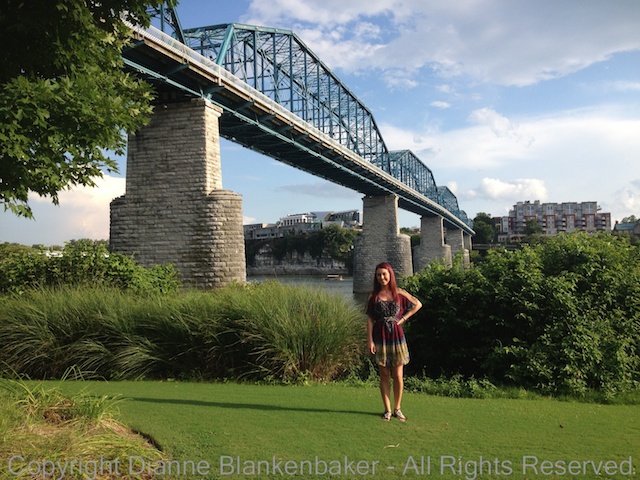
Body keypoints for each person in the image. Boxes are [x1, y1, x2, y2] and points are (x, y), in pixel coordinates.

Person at [366, 262, 422, 422]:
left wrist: (403, 319)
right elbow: (369, 319)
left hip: (396, 336)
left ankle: (397, 408)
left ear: (390, 275)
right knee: (384, 375)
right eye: (378, 275)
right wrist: (370, 340)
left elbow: (418, 304)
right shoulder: (373, 296)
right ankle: (388, 410)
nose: (381, 277)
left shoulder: (399, 293)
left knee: (398, 375)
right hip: (380, 337)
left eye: (384, 274)